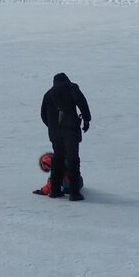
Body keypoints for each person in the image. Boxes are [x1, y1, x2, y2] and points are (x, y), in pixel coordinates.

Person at [40, 72, 91, 200]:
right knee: (73, 160)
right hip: (70, 131)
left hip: (55, 133)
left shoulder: (48, 94)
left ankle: (55, 191)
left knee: (58, 160)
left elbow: (43, 115)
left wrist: (52, 126)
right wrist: (86, 120)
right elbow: (82, 102)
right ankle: (74, 193)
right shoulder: (72, 87)